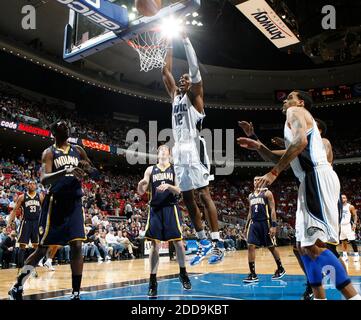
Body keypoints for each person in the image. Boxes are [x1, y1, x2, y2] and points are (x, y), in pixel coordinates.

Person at [237, 90, 361, 300]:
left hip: (317, 179)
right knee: (303, 248)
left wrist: (274, 172)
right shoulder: (294, 122)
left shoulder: (296, 111)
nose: (286, 100)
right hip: (309, 182)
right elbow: (274, 154)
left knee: (314, 246)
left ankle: (353, 296)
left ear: (300, 102)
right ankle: (319, 296)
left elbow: (300, 142)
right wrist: (256, 142)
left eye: (290, 96)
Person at [9, 120, 96, 300]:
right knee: (41, 250)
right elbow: (44, 179)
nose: (65, 126)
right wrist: (65, 171)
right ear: (53, 133)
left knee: (77, 246)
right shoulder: (49, 153)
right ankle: (18, 284)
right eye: (60, 126)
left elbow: (91, 169)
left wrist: (86, 168)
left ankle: (76, 293)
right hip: (55, 204)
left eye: (67, 125)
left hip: (74, 203)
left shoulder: (78, 150)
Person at [161, 32, 223, 266]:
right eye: (181, 79)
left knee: (204, 195)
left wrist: (185, 41)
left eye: (185, 79)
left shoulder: (195, 97)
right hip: (179, 151)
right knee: (187, 198)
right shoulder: (175, 98)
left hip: (195, 147)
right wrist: (168, 43)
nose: (181, 80)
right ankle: (202, 241)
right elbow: (165, 72)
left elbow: (194, 69)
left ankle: (217, 244)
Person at [137, 145, 191, 298]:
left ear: (169, 153)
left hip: (171, 208)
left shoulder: (174, 169)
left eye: (165, 149)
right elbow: (142, 191)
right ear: (158, 154)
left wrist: (168, 186)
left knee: (179, 243)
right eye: (160, 149)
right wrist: (141, 184)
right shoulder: (150, 170)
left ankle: (183, 273)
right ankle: (153, 282)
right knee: (155, 245)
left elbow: (179, 190)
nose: (162, 150)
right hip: (155, 209)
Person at [243, 177, 286, 283]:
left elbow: (272, 210)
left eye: (258, 180)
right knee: (250, 246)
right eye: (254, 180)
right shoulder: (250, 196)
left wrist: (273, 225)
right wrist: (246, 226)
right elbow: (250, 212)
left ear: (262, 182)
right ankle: (253, 274)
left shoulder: (267, 193)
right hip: (254, 223)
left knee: (271, 247)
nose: (256, 182)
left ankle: (280, 268)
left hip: (265, 223)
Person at [7, 180, 43, 268]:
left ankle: (33, 266)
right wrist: (9, 222)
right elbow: (15, 210)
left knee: (36, 245)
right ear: (27, 185)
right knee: (22, 245)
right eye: (30, 183)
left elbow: (44, 210)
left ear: (36, 186)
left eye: (34, 183)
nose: (32, 185)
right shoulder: (22, 197)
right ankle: (20, 267)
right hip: (26, 222)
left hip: (36, 223)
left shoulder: (40, 196)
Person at [340, 194, 359, 262]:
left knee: (352, 241)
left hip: (348, 225)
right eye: (341, 198)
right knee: (343, 241)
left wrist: (354, 224)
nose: (343, 199)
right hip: (341, 226)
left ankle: (356, 255)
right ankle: (345, 256)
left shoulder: (350, 206)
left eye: (344, 198)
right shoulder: (338, 206)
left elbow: (355, 216)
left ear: (346, 199)